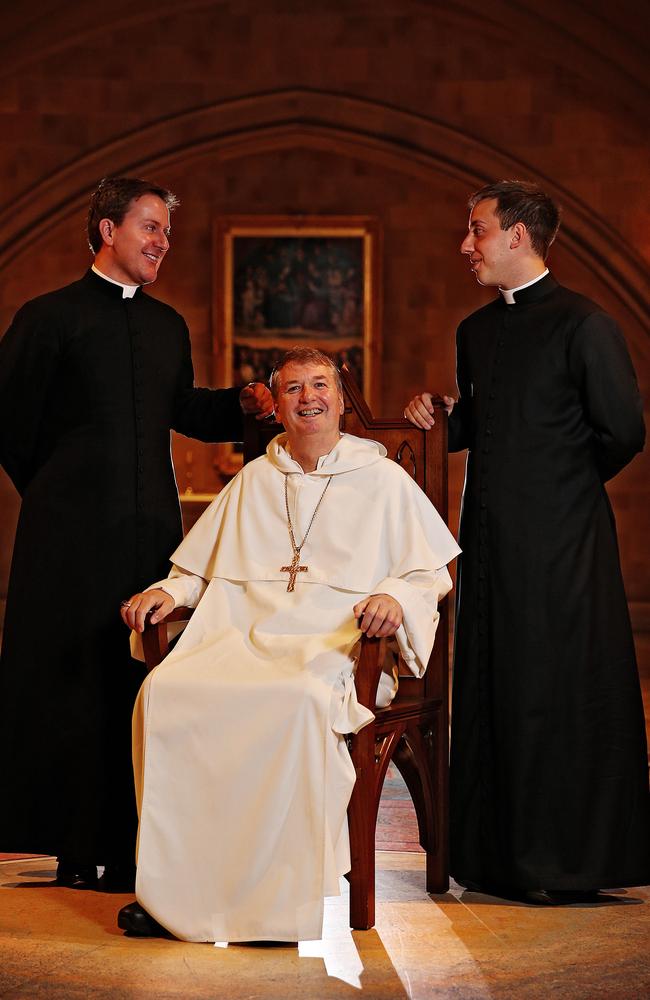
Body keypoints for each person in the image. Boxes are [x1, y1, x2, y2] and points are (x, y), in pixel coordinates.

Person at [116, 347, 461, 941]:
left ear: (341, 401)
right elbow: (200, 568)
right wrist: (167, 592)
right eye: (295, 388)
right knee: (166, 690)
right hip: (238, 639)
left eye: (320, 384)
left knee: (299, 699)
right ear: (277, 407)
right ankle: (172, 889)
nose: (309, 398)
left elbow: (428, 572)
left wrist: (394, 600)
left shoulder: (381, 479)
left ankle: (281, 900)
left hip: (333, 649)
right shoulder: (255, 478)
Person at [0, 176, 273, 891]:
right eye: (149, 228)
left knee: (138, 680)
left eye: (166, 232)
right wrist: (57, 494)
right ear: (106, 231)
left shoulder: (167, 326)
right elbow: (11, 424)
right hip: (63, 540)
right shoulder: (46, 318)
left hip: (149, 534)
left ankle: (130, 845)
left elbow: (182, 407)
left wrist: (242, 404)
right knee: (67, 683)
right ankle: (68, 845)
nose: (162, 243)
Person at [404, 180, 649, 903]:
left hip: (564, 545)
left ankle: (564, 863)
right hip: (488, 541)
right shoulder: (475, 332)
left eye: (476, 230)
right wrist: (441, 413)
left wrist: (561, 494)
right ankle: (496, 857)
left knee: (553, 689)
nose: (465, 245)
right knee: (497, 683)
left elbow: (624, 432)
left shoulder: (587, 324)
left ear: (519, 236)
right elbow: (490, 422)